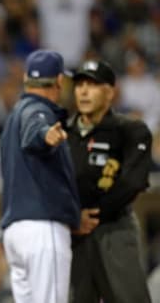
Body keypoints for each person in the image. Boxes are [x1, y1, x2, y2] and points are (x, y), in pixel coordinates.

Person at [67, 59, 152, 303]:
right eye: (79, 84)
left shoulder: (129, 129)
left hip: (115, 228)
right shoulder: (63, 132)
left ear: (110, 92)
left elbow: (133, 182)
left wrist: (93, 215)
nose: (83, 91)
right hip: (73, 233)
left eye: (92, 85)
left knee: (129, 297)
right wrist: (73, 216)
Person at [0, 49, 81, 303]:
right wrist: (46, 135)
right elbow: (36, 130)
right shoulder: (38, 110)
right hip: (42, 231)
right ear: (59, 81)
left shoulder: (13, 116)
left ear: (26, 78)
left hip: (16, 233)